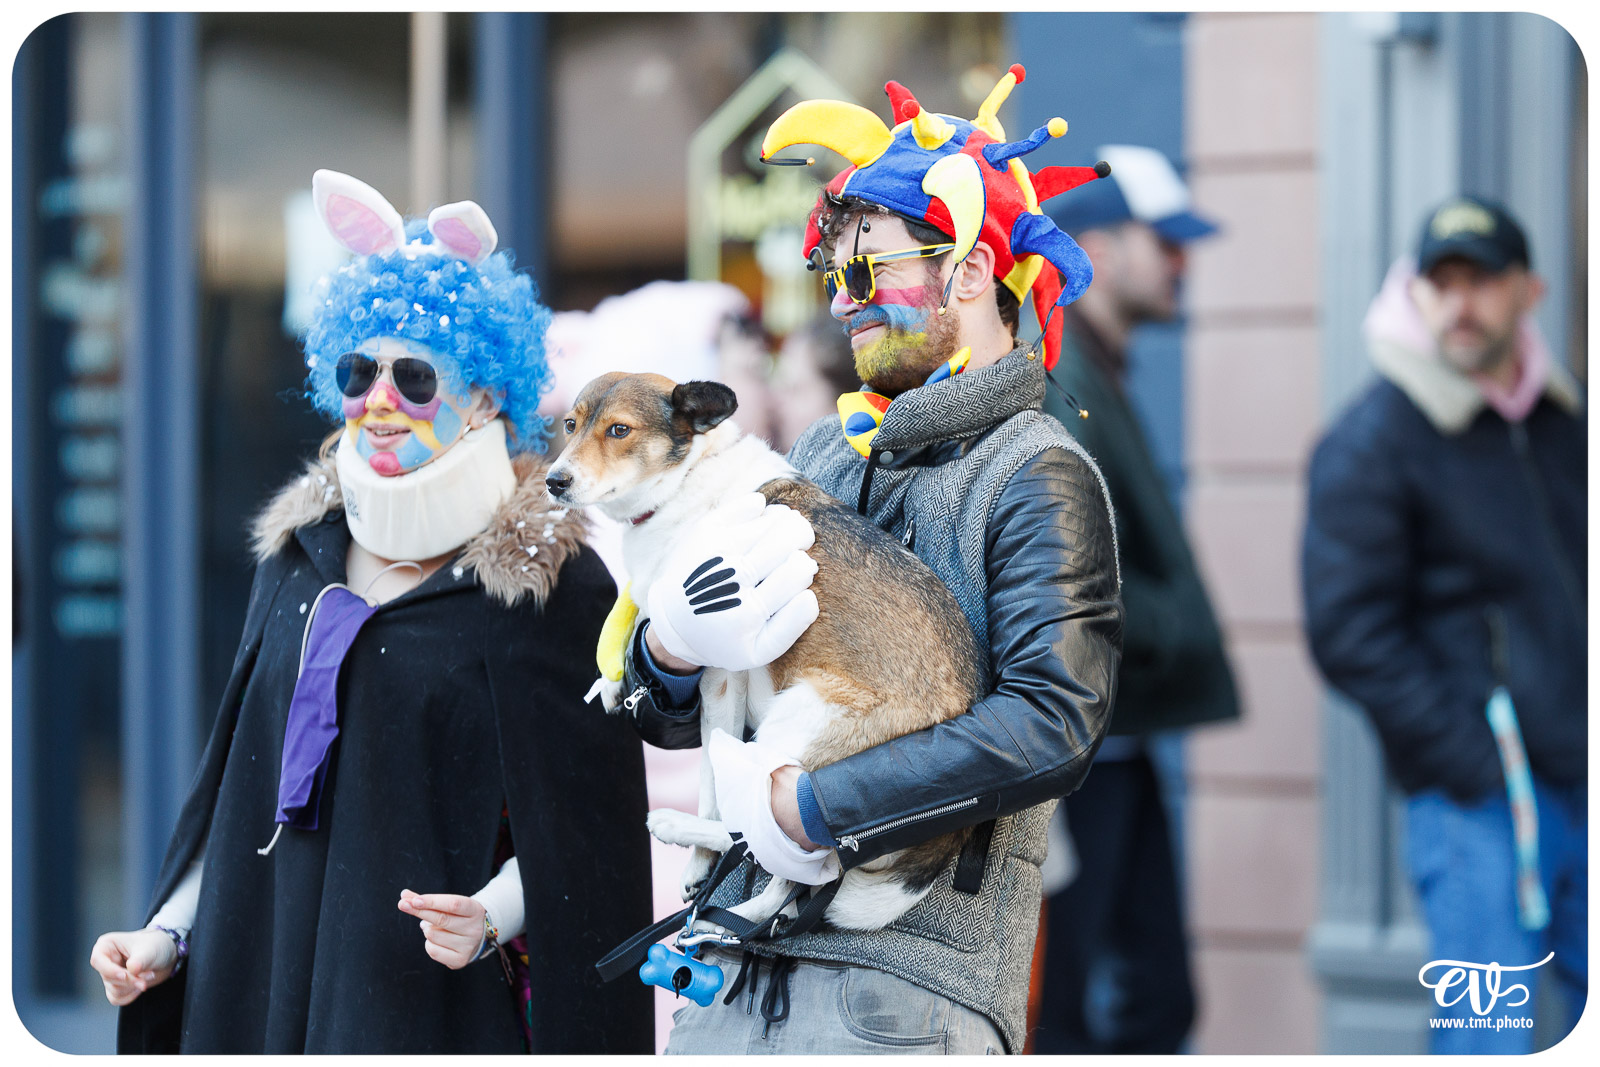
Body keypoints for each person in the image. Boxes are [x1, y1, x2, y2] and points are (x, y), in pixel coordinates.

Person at [614, 66, 1123, 1054]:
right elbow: (687, 712)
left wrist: (815, 807)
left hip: (903, 990)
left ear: (970, 270)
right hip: (728, 966)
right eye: (832, 275)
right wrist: (666, 657)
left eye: (869, 270)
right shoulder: (817, 455)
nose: (843, 302)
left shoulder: (1039, 472)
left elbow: (1053, 723)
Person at [89, 171, 654, 1054]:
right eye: (361, 372)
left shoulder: (551, 589)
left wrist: (492, 913)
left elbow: (588, 841)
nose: (381, 402)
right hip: (270, 997)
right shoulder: (299, 560)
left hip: (429, 1012)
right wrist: (167, 934)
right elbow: (247, 806)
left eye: (417, 376)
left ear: (486, 397)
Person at [1302, 196, 1586, 1052]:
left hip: (1581, 774)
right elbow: (1348, 631)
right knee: (1487, 1041)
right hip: (1479, 806)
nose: (1460, 302)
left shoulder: (1555, 420)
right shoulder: (1373, 439)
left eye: (1483, 280)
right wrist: (1472, 763)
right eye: (1441, 281)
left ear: (1528, 290)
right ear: (1416, 293)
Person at [1031, 144, 1239, 1054]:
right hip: (1088, 751)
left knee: (1142, 999)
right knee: (1084, 1007)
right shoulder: (1065, 378)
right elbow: (1072, 575)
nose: (1183, 264)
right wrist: (1179, 625)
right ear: (1103, 255)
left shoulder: (1092, 367)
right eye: (1171, 244)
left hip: (1112, 740)